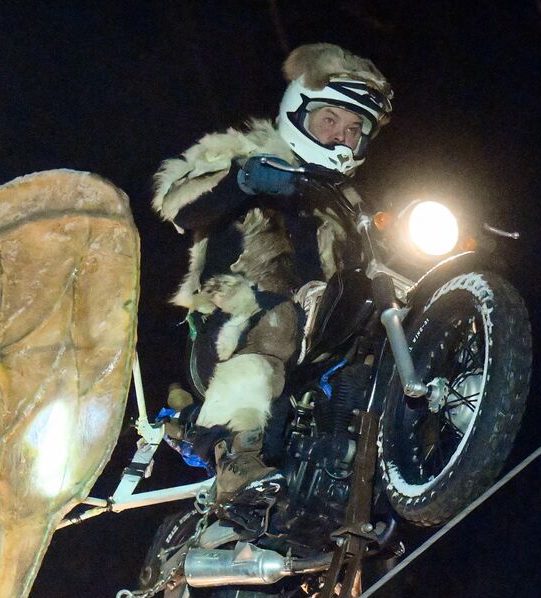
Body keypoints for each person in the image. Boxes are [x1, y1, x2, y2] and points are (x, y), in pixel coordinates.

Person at [151, 43, 393, 503]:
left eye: (354, 129)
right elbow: (176, 202)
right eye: (329, 121)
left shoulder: (354, 208)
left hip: (314, 352)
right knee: (277, 314)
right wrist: (244, 179)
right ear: (298, 112)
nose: (341, 137)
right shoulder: (247, 153)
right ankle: (235, 454)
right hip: (233, 327)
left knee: (366, 351)